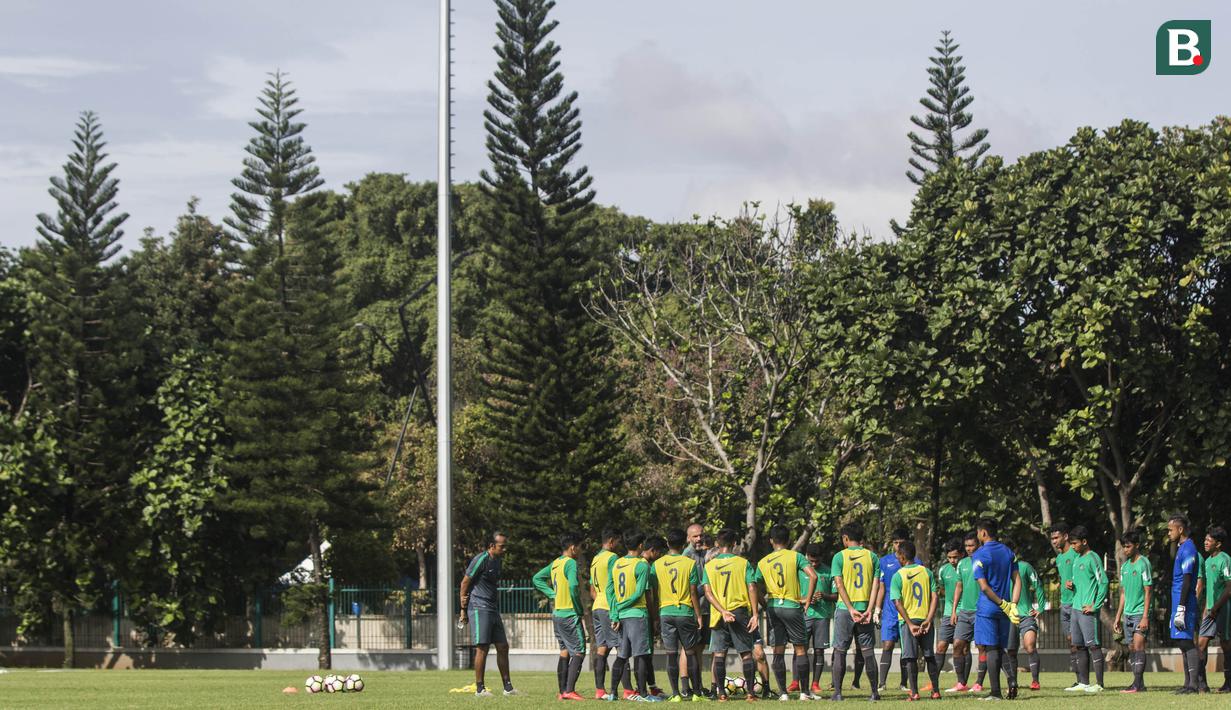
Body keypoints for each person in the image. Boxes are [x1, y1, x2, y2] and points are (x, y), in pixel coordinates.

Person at [755, 524, 818, 700]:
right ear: (789, 540)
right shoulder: (796, 556)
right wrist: (806, 601)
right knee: (800, 650)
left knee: (778, 650)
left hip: (774, 607)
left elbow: (753, 585)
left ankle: (783, 693)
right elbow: (813, 576)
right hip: (792, 606)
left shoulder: (763, 562)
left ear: (771, 541)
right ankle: (804, 693)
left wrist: (764, 603)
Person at [701, 528, 760, 702]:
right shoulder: (743, 563)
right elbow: (752, 587)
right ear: (734, 543)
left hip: (719, 615)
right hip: (739, 612)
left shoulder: (709, 565)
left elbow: (707, 592)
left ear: (717, 544)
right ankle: (750, 693)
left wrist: (722, 611)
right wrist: (755, 614)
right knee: (746, 653)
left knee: (719, 654)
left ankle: (721, 694)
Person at [458, 531, 519, 697]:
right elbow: (465, 582)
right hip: (478, 607)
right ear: (492, 546)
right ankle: (480, 689)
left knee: (503, 646)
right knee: (482, 647)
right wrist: (462, 610)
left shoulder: (498, 561)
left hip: (492, 608)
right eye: (502, 546)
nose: (504, 549)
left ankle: (508, 688)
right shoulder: (480, 560)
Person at [532, 531, 588, 701]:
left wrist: (552, 594)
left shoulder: (556, 563)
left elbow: (537, 578)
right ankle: (569, 690)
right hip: (570, 613)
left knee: (564, 651)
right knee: (579, 651)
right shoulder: (570, 563)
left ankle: (562, 691)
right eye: (580, 547)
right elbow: (573, 587)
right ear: (573, 548)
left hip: (557, 614)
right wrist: (579, 608)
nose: (580, 550)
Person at [829, 520, 881, 701]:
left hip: (845, 610)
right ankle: (874, 693)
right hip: (865, 609)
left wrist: (850, 608)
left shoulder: (839, 557)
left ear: (845, 538)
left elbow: (839, 585)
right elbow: (876, 585)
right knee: (868, 651)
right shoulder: (872, 557)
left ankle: (837, 693)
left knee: (840, 651)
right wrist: (869, 609)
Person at [971, 517, 1021, 701]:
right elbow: (1017, 580)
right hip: (1005, 609)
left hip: (989, 607)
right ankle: (1012, 680)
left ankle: (995, 692)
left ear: (983, 533)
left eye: (978, 532)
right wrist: (1012, 605)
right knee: (1000, 648)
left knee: (991, 649)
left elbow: (983, 586)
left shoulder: (979, 555)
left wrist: (1001, 603)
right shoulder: (1008, 552)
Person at [653, 529, 706, 701]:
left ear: (668, 544)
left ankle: (676, 694)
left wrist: (655, 615)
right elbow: (693, 593)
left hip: (666, 612)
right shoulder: (689, 563)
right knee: (690, 652)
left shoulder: (657, 564)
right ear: (684, 544)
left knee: (671, 654)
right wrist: (698, 615)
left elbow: (654, 591)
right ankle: (697, 693)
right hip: (685, 612)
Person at [608, 530, 660, 702]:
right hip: (637, 614)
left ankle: (613, 693)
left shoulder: (617, 563)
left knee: (622, 656)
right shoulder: (642, 565)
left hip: (621, 616)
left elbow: (610, 590)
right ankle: (643, 694)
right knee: (641, 654)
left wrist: (615, 613)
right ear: (640, 546)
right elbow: (639, 593)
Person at [889, 540, 941, 701]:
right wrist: (929, 619)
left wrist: (910, 624)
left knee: (910, 657)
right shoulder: (927, 572)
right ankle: (936, 691)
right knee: (929, 655)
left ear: (903, 557)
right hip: (925, 620)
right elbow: (935, 597)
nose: (897, 558)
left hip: (908, 623)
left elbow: (897, 602)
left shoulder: (898, 575)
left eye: (898, 555)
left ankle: (914, 693)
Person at [872, 528, 917, 693]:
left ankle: (904, 683)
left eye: (901, 542)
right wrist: (877, 609)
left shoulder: (916, 562)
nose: (898, 546)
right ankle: (882, 683)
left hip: (907, 608)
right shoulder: (884, 561)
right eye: (896, 542)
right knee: (888, 644)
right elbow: (881, 587)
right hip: (890, 609)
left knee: (906, 646)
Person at [1064, 526, 1107, 693]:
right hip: (1075, 608)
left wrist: (1095, 605)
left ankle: (1100, 684)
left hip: (1087, 610)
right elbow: (1081, 582)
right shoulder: (1077, 559)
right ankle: (1083, 682)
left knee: (1094, 646)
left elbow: (1103, 582)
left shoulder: (1093, 557)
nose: (1073, 547)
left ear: (1084, 542)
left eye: (1075, 543)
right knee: (1078, 646)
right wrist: (1071, 585)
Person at [1003, 540, 1046, 691]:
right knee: (1011, 650)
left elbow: (1038, 586)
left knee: (1030, 646)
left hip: (1026, 614)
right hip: (1008, 616)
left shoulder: (1025, 567)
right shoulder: (999, 569)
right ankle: (1013, 682)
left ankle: (1035, 681)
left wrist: (1040, 607)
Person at [1114, 529, 1152, 694]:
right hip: (1127, 614)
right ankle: (1138, 684)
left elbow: (1148, 591)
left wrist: (1145, 616)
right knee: (1132, 648)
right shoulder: (1124, 567)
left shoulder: (1144, 563)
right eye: (1123, 546)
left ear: (1136, 545)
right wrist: (1117, 617)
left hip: (1139, 614)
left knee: (1138, 646)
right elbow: (1123, 594)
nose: (1125, 550)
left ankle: (1137, 685)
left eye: (1128, 546)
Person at [1169, 513, 1202, 694]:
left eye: (1170, 529)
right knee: (1182, 641)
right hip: (1178, 601)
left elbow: (1188, 579)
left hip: (1185, 602)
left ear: (1180, 529)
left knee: (1187, 641)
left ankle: (1194, 685)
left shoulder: (1189, 548)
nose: (1168, 533)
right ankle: (1187, 683)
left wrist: (1181, 607)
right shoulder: (1181, 548)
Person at [591, 529, 625, 700]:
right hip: (608, 606)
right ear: (611, 541)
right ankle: (628, 690)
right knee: (622, 647)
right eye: (618, 542)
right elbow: (614, 585)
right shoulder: (612, 558)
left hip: (596, 605)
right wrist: (614, 611)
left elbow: (592, 588)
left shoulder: (595, 559)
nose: (619, 545)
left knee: (602, 648)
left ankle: (599, 690)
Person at [1199, 525, 1231, 693]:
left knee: (1226, 645)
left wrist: (1216, 607)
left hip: (1223, 608)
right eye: (1205, 539)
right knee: (1201, 643)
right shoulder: (1207, 561)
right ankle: (1202, 684)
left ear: (1218, 544)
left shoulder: (1224, 559)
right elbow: (1209, 589)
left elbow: (1229, 588)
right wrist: (1206, 608)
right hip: (1210, 610)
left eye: (1209, 540)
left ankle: (1228, 683)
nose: (1205, 542)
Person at [1049, 522, 1081, 690]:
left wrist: (1074, 582)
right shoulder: (1060, 558)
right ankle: (1079, 679)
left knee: (1078, 643)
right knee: (1071, 642)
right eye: (1052, 538)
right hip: (1065, 604)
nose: (1054, 541)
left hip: (1077, 603)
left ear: (1066, 536)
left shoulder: (1076, 554)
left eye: (1057, 537)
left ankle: (1084, 680)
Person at [947, 532, 980, 693]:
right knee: (958, 645)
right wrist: (954, 610)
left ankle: (979, 682)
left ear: (978, 545)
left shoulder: (984, 561)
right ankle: (961, 683)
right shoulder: (962, 564)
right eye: (966, 546)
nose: (969, 549)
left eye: (972, 545)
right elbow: (959, 587)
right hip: (964, 612)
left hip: (981, 611)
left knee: (982, 647)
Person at [804, 542, 838, 697]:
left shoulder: (829, 572)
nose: (813, 564)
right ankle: (796, 682)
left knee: (819, 650)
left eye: (816, 561)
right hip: (804, 615)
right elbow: (794, 594)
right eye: (811, 561)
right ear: (806, 557)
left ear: (821, 558)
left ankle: (815, 683)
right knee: (801, 649)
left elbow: (836, 596)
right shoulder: (800, 570)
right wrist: (806, 599)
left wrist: (824, 596)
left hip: (822, 616)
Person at [933, 538, 962, 689]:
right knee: (941, 646)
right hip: (947, 613)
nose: (952, 560)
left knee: (961, 647)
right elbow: (942, 589)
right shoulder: (943, 570)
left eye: (955, 557)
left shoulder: (966, 567)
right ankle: (934, 682)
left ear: (961, 555)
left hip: (964, 612)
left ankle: (961, 682)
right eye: (949, 557)